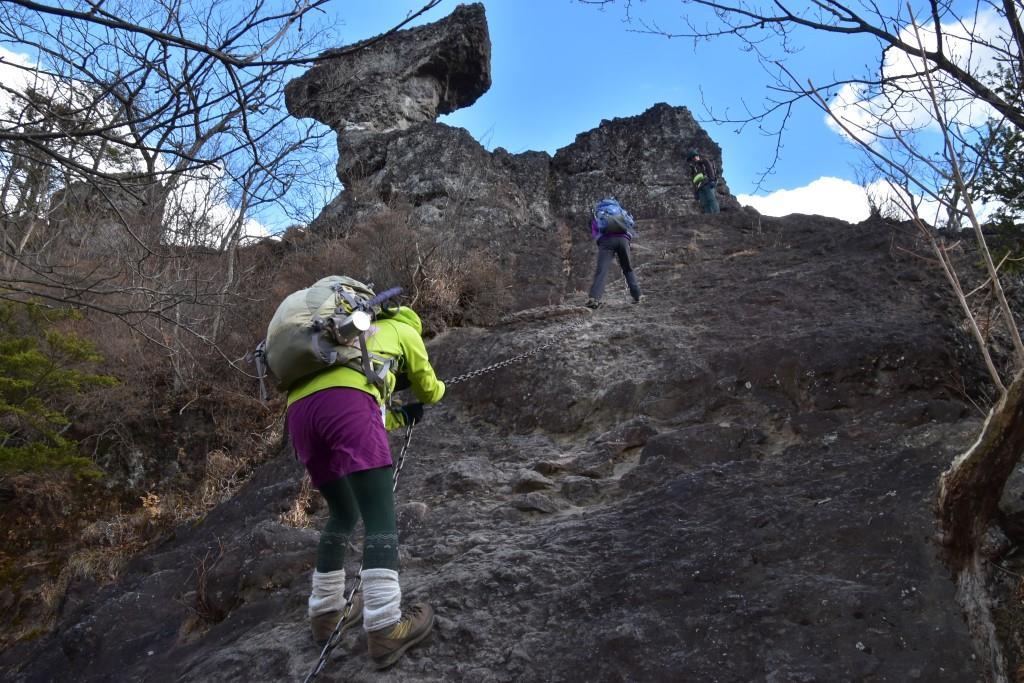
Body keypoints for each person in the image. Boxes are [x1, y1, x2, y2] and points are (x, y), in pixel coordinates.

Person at [285, 300, 445, 670]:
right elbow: (428, 387)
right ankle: (386, 626)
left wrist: (400, 416)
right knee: (379, 516)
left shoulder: (346, 341)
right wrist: (436, 393)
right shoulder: (405, 330)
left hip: (300, 412)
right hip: (348, 403)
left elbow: (362, 414)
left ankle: (325, 614)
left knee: (343, 512)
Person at [585, 197, 643, 308]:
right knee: (627, 268)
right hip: (623, 240)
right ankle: (638, 295)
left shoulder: (598, 212)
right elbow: (630, 223)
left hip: (607, 241)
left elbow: (595, 230)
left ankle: (594, 298)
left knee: (602, 270)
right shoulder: (620, 210)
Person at [687, 150, 720, 214]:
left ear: (697, 156)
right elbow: (694, 182)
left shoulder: (704, 161)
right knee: (704, 203)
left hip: (707, 184)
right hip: (699, 188)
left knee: (711, 200)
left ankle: (716, 215)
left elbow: (710, 170)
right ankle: (708, 217)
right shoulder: (693, 170)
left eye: (694, 157)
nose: (693, 159)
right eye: (691, 159)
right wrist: (695, 192)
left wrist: (712, 180)